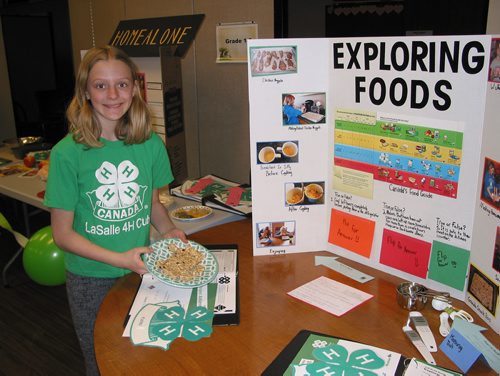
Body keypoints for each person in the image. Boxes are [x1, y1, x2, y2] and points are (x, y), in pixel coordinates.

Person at [44, 45, 187, 376]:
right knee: (102, 362)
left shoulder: (150, 144)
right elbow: (62, 235)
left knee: (145, 357)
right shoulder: (68, 154)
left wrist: (169, 231)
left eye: (121, 84)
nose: (112, 94)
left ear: (135, 88)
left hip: (140, 271)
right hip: (90, 280)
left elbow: (152, 205)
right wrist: (120, 260)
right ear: (85, 92)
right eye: (100, 85)